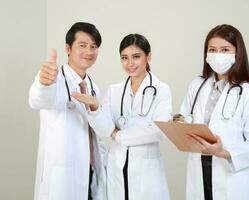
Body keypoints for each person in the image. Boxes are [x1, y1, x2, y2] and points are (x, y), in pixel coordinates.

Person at [72, 33, 172, 200]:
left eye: (136, 57)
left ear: (148, 57)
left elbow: (159, 130)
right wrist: (95, 107)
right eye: (124, 58)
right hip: (117, 166)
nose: (130, 63)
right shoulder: (114, 90)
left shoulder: (161, 89)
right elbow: (104, 130)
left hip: (147, 170)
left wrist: (118, 134)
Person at [179, 24, 249, 200]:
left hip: (231, 178)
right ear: (206, 54)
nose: (217, 55)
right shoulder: (197, 85)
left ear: (237, 54)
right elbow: (184, 119)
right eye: (212, 49)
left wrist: (223, 152)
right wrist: (178, 125)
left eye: (225, 50)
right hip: (199, 171)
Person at [29, 22, 107, 200]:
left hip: (91, 172)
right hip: (63, 175)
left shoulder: (93, 87)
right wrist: (43, 84)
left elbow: (96, 131)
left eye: (93, 46)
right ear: (68, 48)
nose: (89, 51)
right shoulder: (53, 78)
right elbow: (38, 99)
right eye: (82, 45)